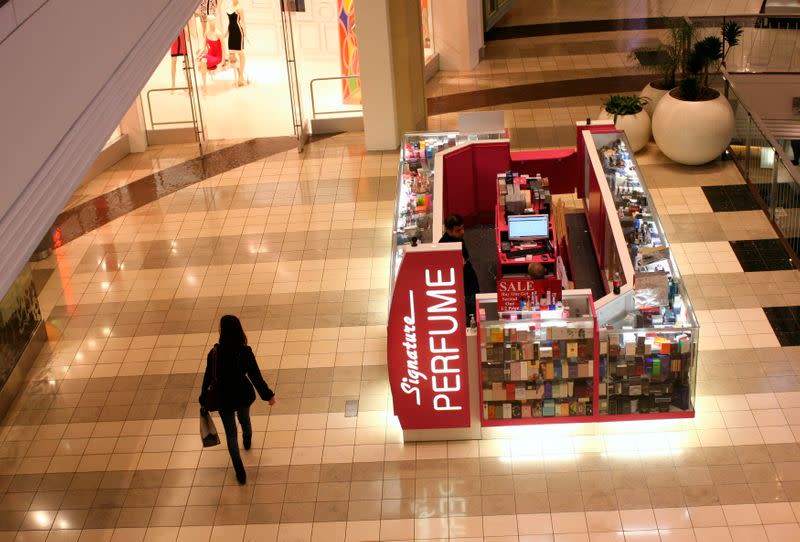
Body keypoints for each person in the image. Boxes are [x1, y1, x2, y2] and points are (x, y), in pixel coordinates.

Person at [199, 315, 275, 485]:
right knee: (245, 419)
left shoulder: (215, 353)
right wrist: (267, 395)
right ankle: (247, 439)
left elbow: (208, 377)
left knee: (231, 434)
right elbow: (255, 376)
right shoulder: (244, 351)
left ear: (222, 331)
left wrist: (203, 398)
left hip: (224, 398)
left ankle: (239, 470)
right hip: (242, 394)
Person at [439, 214, 480, 323]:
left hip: (468, 276)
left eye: (462, 228)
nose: (462, 232)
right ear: (448, 231)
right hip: (463, 284)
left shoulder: (457, 238)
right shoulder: (445, 246)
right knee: (470, 309)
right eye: (458, 230)